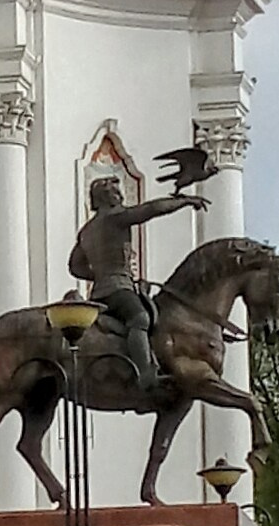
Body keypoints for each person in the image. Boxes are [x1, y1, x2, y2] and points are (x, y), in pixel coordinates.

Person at [67, 161, 211, 393]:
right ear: (107, 197)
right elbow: (151, 209)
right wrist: (183, 201)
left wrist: (99, 275)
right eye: (116, 192)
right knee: (140, 319)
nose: (120, 196)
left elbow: (75, 267)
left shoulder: (87, 230)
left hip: (99, 293)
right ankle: (146, 373)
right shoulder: (116, 217)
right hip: (118, 289)